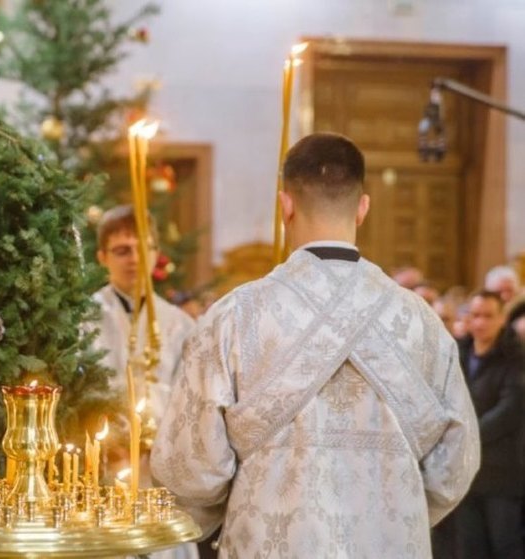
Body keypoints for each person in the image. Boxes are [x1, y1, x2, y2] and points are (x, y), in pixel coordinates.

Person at [150, 132, 480, 558]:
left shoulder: (235, 318)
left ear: (285, 204)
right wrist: (396, 512)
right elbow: (456, 463)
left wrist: (230, 505)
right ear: (363, 208)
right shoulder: (421, 322)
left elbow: (192, 469)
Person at [90, 204, 198, 559]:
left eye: (142, 248)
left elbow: (191, 399)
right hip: (103, 469)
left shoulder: (179, 325)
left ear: (156, 253)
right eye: (122, 250)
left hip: (159, 471)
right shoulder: (85, 319)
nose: (134, 259)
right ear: (102, 256)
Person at [453, 290, 525, 559]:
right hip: (465, 470)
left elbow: (510, 409)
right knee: (470, 547)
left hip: (503, 471)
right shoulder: (458, 353)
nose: (480, 323)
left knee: (505, 545)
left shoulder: (515, 357)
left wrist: (467, 433)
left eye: (488, 316)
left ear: (502, 319)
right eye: (475, 315)